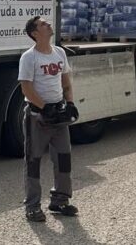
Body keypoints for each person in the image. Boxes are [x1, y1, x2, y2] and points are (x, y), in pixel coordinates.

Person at [19, 15, 79, 222]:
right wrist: (44, 108)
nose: (49, 25)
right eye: (44, 24)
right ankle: (32, 207)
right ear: (35, 33)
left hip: (58, 116)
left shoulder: (59, 52)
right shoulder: (29, 57)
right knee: (33, 161)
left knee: (63, 157)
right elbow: (25, 87)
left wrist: (69, 104)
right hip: (37, 116)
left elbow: (66, 82)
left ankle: (60, 200)